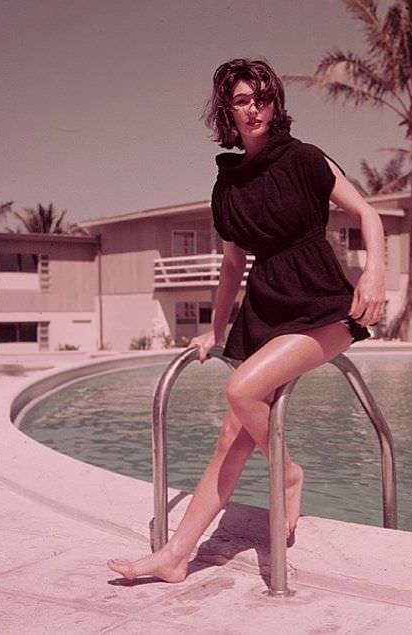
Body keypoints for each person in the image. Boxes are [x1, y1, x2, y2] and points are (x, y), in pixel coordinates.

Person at [108, 58, 385, 583]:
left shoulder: (306, 159)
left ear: (276, 104)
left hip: (324, 306)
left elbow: (368, 214)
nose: (253, 108)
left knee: (241, 390)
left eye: (262, 98)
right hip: (266, 306)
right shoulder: (228, 186)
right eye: (241, 100)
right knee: (230, 438)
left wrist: (373, 276)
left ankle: (288, 473)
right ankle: (174, 557)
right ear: (226, 111)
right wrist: (216, 328)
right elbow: (233, 264)